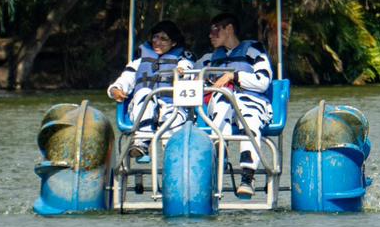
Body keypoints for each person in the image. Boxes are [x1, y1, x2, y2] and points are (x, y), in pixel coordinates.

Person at [198, 12, 273, 197]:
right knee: (223, 101)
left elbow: (263, 81)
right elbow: (190, 76)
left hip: (250, 101)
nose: (210, 35)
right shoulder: (209, 59)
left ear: (229, 29)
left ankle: (248, 176)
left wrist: (234, 76)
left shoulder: (254, 52)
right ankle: (219, 161)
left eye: (215, 30)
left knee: (249, 117)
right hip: (222, 105)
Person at [107, 20, 194, 155]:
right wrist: (115, 90)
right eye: (155, 37)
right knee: (145, 93)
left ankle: (173, 156)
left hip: (171, 107)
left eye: (163, 39)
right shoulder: (139, 61)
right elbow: (126, 79)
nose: (157, 42)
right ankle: (142, 142)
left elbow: (188, 71)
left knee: (172, 116)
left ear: (174, 43)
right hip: (143, 108)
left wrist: (181, 72)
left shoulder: (183, 60)